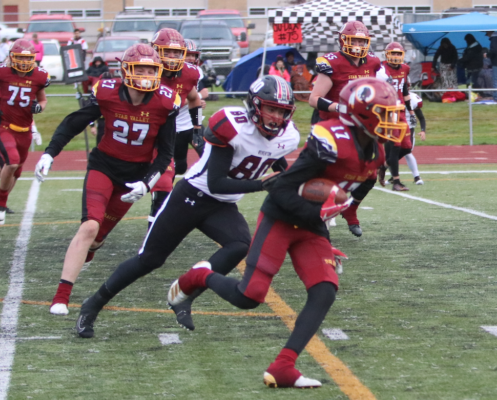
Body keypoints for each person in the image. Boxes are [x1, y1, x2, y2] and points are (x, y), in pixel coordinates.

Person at [168, 77, 406, 389]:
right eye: (384, 114)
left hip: (311, 226)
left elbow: (332, 198)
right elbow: (281, 189)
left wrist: (325, 237)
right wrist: (317, 214)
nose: (393, 121)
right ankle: (199, 276)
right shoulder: (330, 141)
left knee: (324, 290)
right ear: (360, 113)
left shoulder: (376, 152)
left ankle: (283, 366)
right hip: (281, 217)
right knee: (248, 297)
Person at [75, 75, 299, 337]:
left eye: (282, 111)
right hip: (192, 195)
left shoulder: (289, 137)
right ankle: (92, 305)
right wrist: (263, 184)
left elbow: (274, 160)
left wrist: (290, 181)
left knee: (239, 244)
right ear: (255, 105)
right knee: (149, 260)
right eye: (271, 109)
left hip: (222, 205)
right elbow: (216, 183)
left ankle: (184, 293)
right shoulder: (232, 126)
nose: (276, 117)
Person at [35, 44, 180, 317]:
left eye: (151, 70)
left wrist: (147, 183)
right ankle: (61, 296)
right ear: (125, 70)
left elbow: (165, 154)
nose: (146, 75)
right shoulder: (107, 91)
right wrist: (50, 153)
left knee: (98, 238)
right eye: (140, 69)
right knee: (90, 226)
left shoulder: (165, 102)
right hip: (103, 166)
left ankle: (89, 251)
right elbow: (74, 122)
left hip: (134, 177)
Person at [308, 21, 381, 237]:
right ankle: (319, 223)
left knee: (370, 175)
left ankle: (351, 209)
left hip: (359, 127)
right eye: (354, 40)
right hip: (333, 127)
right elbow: (314, 99)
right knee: (330, 174)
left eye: (361, 41)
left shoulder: (373, 62)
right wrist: (339, 107)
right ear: (343, 40)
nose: (358, 45)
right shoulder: (332, 63)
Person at [0, 39, 50, 225]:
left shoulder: (39, 76)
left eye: (27, 58)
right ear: (12, 56)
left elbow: (43, 100)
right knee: (11, 163)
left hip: (25, 131)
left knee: (16, 170)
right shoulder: (2, 72)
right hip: (4, 126)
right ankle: (0, 201)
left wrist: (39, 108)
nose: (24, 62)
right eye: (20, 57)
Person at [145, 30, 203, 228]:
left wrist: (197, 127)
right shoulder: (146, 71)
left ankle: (153, 237)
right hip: (136, 135)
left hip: (163, 138)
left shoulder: (189, 74)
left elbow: (194, 98)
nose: (171, 57)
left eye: (176, 53)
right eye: (166, 52)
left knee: (163, 187)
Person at [376, 42, 415, 191]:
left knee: (407, 147)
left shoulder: (405, 68)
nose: (396, 56)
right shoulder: (381, 69)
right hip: (388, 111)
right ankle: (396, 182)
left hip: (401, 110)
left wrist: (411, 111)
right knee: (396, 146)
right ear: (387, 54)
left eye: (399, 53)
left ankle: (384, 165)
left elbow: (404, 90)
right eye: (393, 53)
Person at [486, 31, 497, 101]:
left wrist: (487, 55)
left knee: (495, 80)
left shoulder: (494, 39)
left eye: (487, 34)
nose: (487, 36)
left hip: (496, 63)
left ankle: (496, 97)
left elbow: (494, 50)